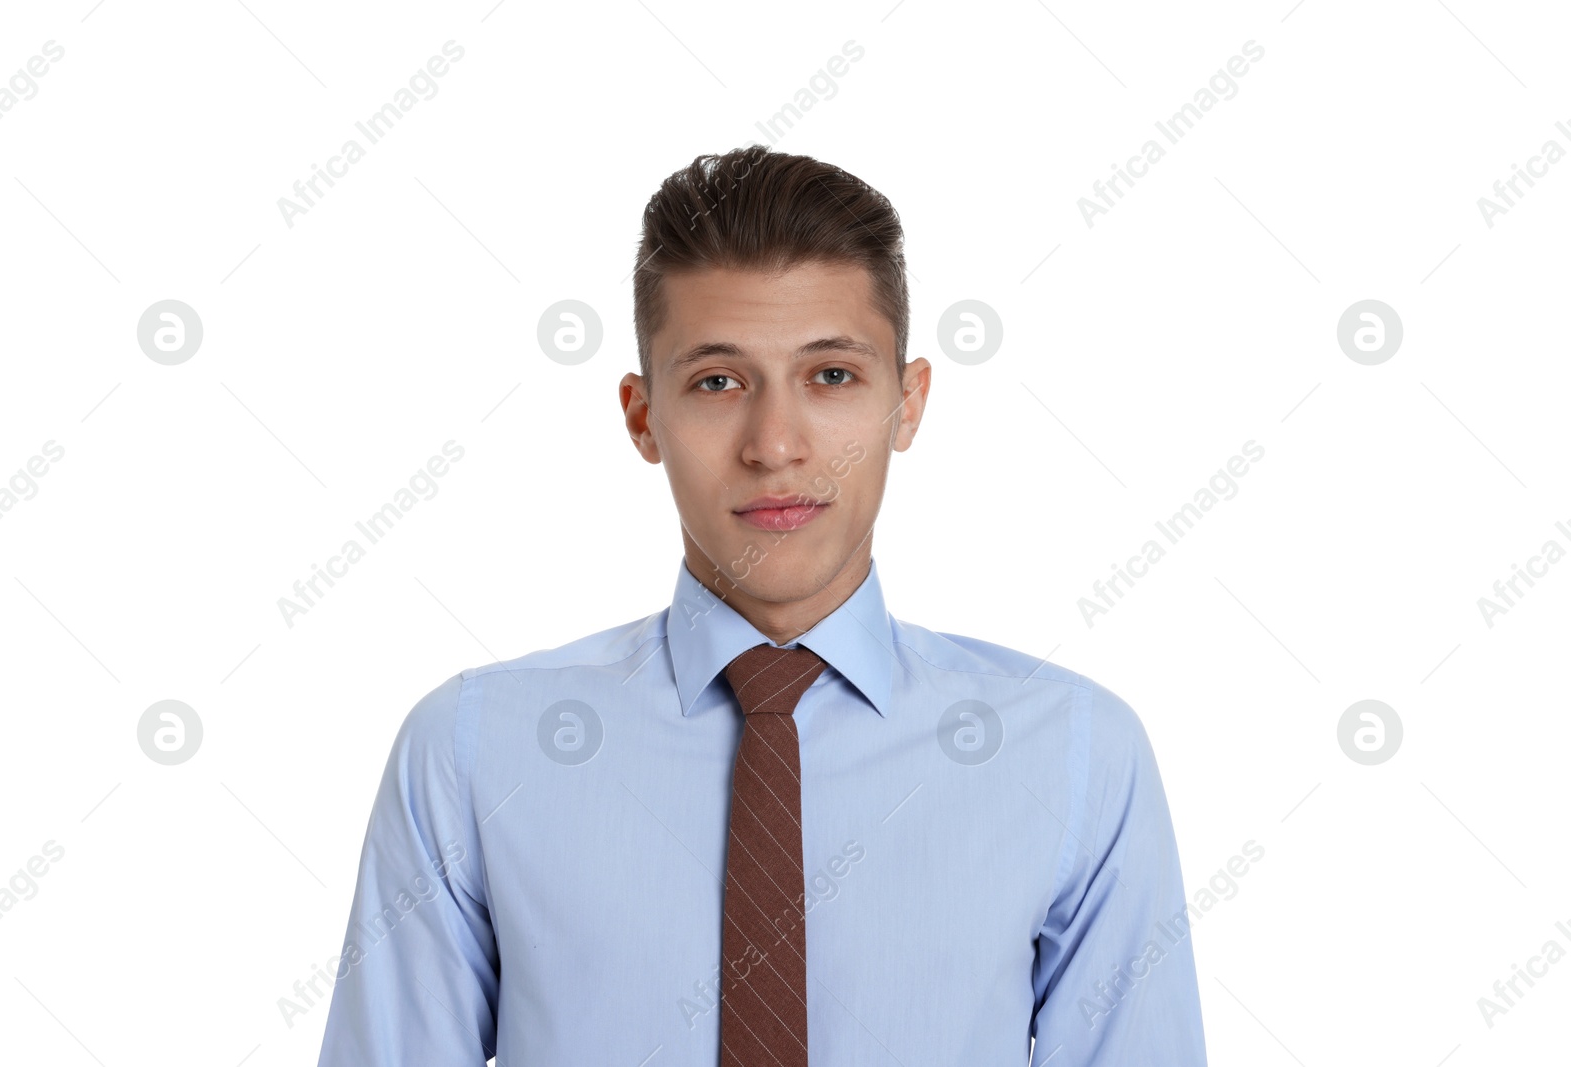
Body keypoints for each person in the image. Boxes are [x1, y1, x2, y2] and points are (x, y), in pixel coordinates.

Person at [315, 144, 1208, 1066]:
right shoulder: (470, 753)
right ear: (641, 415)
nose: (775, 443)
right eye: (717, 382)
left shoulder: (1072, 755)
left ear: (907, 404)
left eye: (831, 375)